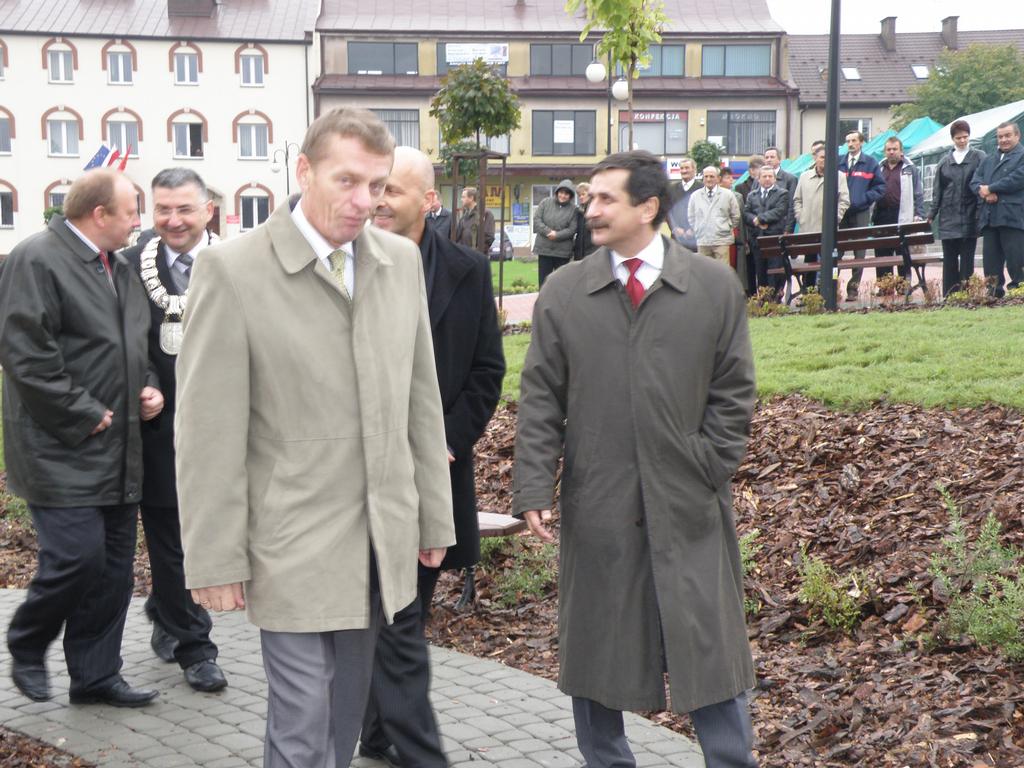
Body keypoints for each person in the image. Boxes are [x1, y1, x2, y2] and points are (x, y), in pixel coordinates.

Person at [174, 107, 456, 767]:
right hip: (289, 539)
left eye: (378, 185)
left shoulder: (398, 263)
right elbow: (207, 428)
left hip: (377, 538)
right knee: (303, 722)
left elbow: (421, 402)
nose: (365, 201)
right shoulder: (233, 271)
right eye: (347, 181)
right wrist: (213, 558)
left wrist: (432, 516)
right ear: (304, 171)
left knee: (341, 723)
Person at [514, 149, 758, 768]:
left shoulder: (712, 287)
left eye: (605, 199)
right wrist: (535, 485)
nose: (590, 209)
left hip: (689, 499)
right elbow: (540, 397)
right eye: (589, 198)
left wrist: (707, 463)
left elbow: (734, 391)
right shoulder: (564, 291)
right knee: (596, 649)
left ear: (647, 207)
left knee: (709, 647)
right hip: (598, 498)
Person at [362, 146, 506, 768]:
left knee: (409, 605)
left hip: (435, 471)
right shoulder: (348, 263)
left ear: (427, 201)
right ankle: (400, 737)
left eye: (390, 189)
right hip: (358, 471)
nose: (377, 200)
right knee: (383, 609)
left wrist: (445, 441)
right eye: (373, 187)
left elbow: (487, 370)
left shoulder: (467, 270)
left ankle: (380, 733)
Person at [1, 168, 163, 707]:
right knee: (78, 558)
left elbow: (134, 345)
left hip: (120, 447)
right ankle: (27, 641)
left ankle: (95, 677)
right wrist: (81, 412)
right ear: (99, 214)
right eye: (132, 211)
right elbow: (26, 354)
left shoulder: (120, 267)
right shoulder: (37, 259)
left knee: (113, 572)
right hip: (60, 447)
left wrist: (149, 384)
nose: (138, 222)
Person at [122, 168, 227, 693]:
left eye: (184, 208)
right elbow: (121, 337)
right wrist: (145, 383)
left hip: (224, 425)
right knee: (170, 538)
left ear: (208, 209)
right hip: (158, 427)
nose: (173, 220)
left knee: (208, 534)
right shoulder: (128, 266)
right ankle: (196, 649)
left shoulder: (237, 265)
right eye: (163, 209)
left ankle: (166, 607)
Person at [929, 120, 986, 296]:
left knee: (967, 260)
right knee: (949, 261)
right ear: (952, 139)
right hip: (948, 217)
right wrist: (931, 213)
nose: (962, 140)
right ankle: (950, 295)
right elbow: (937, 191)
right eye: (958, 138)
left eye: (965, 137)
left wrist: (980, 212)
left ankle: (966, 295)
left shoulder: (979, 157)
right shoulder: (944, 162)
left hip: (970, 216)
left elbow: (983, 184)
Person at [970, 120, 1024, 298]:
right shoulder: (989, 159)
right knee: (991, 261)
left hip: (1013, 216)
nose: (1003, 140)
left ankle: (1019, 292)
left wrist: (992, 188)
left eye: (1008, 135)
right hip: (990, 216)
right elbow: (975, 181)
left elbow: (1017, 179)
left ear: (1017, 136)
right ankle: (993, 292)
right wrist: (984, 192)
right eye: (1000, 137)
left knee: (1016, 259)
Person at [793, 146, 851, 290]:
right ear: (815, 158)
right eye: (822, 157)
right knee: (809, 262)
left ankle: (830, 289)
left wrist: (835, 218)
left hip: (829, 229)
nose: (825, 160)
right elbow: (797, 200)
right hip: (809, 228)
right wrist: (801, 217)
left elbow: (844, 201)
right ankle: (808, 291)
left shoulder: (839, 176)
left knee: (831, 262)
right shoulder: (804, 176)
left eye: (828, 157)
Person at [838, 131, 886, 301]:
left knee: (859, 252)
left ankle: (853, 289)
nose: (850, 144)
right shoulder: (838, 162)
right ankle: (832, 284)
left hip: (860, 212)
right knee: (836, 252)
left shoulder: (870, 163)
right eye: (848, 141)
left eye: (853, 140)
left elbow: (880, 187)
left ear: (861, 142)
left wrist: (863, 199)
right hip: (840, 213)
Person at [871, 136, 925, 281]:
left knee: (903, 254)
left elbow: (918, 193)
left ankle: (903, 286)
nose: (891, 152)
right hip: (881, 216)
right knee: (882, 255)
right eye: (888, 149)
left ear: (901, 151)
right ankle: (885, 286)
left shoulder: (910, 168)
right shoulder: (879, 168)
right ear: (884, 152)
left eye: (895, 149)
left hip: (902, 215)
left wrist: (918, 214)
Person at [745, 166, 790, 299]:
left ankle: (774, 298)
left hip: (774, 239)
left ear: (775, 179)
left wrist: (760, 219)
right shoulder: (752, 195)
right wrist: (754, 220)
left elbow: (779, 211)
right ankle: (764, 298)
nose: (767, 179)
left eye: (770, 176)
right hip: (757, 239)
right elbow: (746, 213)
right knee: (760, 271)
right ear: (758, 179)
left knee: (774, 270)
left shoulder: (782, 193)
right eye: (764, 176)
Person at [687, 165, 740, 265]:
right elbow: (691, 217)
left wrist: (725, 227)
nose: (708, 179)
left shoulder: (728, 195)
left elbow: (735, 216)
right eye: (706, 176)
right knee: (704, 270)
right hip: (703, 240)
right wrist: (698, 228)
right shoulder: (695, 196)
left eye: (712, 176)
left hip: (721, 240)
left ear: (718, 178)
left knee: (722, 270)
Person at [532, 179, 578, 286]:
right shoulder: (545, 203)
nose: (563, 196)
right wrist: (548, 232)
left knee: (560, 283)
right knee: (544, 282)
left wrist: (557, 235)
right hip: (544, 250)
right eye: (561, 192)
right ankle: (543, 297)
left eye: (566, 194)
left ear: (570, 196)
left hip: (562, 253)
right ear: (557, 192)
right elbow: (537, 220)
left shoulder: (574, 210)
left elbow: (572, 229)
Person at [735, 155, 765, 291]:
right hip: (748, 231)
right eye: (758, 168)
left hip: (764, 231)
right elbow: (742, 213)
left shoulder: (768, 185)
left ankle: (764, 293)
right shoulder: (740, 187)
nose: (759, 171)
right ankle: (751, 294)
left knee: (763, 268)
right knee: (749, 267)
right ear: (751, 170)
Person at [720, 167, 751, 293]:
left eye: (731, 177)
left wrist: (745, 239)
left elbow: (743, 218)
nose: (731, 180)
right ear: (720, 180)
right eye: (727, 178)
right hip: (722, 237)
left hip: (737, 237)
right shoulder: (716, 196)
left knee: (739, 267)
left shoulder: (738, 196)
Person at [762, 146, 797, 232]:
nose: (769, 160)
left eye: (772, 157)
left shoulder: (790, 179)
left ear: (779, 160)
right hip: (761, 229)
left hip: (780, 228)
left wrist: (788, 228)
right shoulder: (758, 180)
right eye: (767, 157)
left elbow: (792, 206)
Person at [667, 157, 699, 251]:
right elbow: (668, 211)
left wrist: (693, 230)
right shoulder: (672, 189)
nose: (684, 171)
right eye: (682, 168)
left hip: (696, 239)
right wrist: (674, 228)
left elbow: (705, 212)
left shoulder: (701, 188)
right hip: (677, 238)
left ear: (694, 170)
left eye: (687, 168)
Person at [454, 187, 495, 255]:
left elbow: (488, 238)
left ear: (471, 198)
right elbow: (458, 237)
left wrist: (475, 253)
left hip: (477, 257)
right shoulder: (464, 217)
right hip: (464, 256)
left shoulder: (485, 213)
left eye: (463, 197)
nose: (461, 199)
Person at [573, 182, 596, 260]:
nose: (581, 197)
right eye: (579, 195)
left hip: (593, 251)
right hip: (580, 253)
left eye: (583, 194)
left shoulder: (596, 210)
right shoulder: (579, 211)